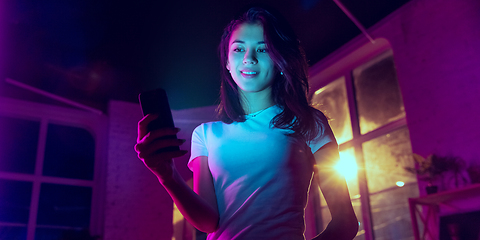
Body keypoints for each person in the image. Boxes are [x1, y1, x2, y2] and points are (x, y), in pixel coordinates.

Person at [135, 7, 358, 240]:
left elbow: (345, 223)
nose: (248, 58)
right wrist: (167, 175)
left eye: (262, 49)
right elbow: (208, 222)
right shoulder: (205, 135)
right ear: (227, 62)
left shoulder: (309, 123)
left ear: (281, 61)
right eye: (239, 49)